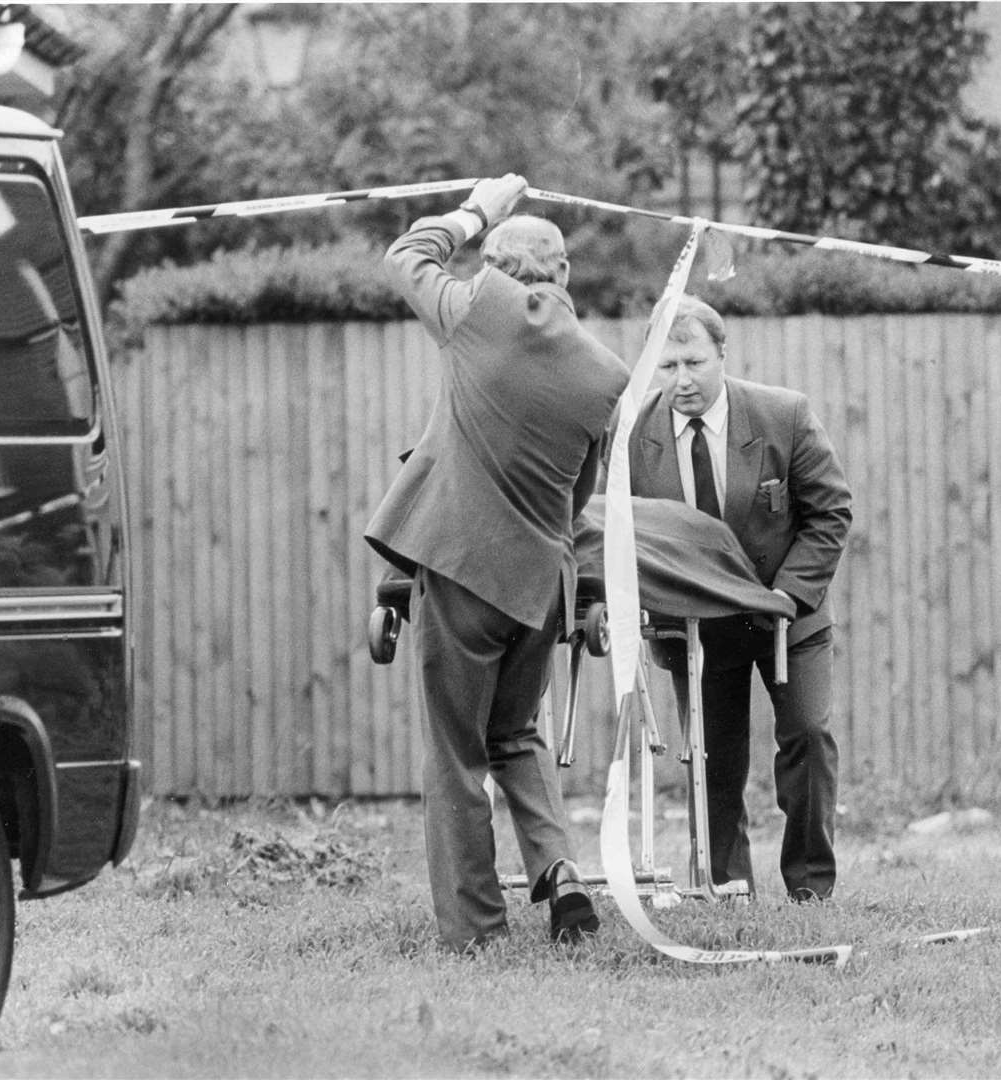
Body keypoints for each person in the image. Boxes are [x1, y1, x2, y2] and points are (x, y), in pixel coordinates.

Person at [365, 174, 630, 950]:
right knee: (515, 734)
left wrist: (479, 209)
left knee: (454, 754)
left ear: (494, 265)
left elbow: (405, 255)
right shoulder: (606, 375)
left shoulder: (480, 309)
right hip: (537, 588)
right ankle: (559, 872)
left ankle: (476, 929)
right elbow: (576, 501)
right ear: (567, 276)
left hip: (461, 571)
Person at [626, 294, 852, 902]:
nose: (682, 380)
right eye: (666, 366)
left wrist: (788, 595)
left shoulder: (784, 416)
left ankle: (811, 886)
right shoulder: (629, 436)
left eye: (694, 363)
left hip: (788, 616)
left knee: (807, 735)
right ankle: (727, 889)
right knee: (711, 760)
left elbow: (830, 513)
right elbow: (617, 532)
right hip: (696, 625)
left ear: (722, 354)